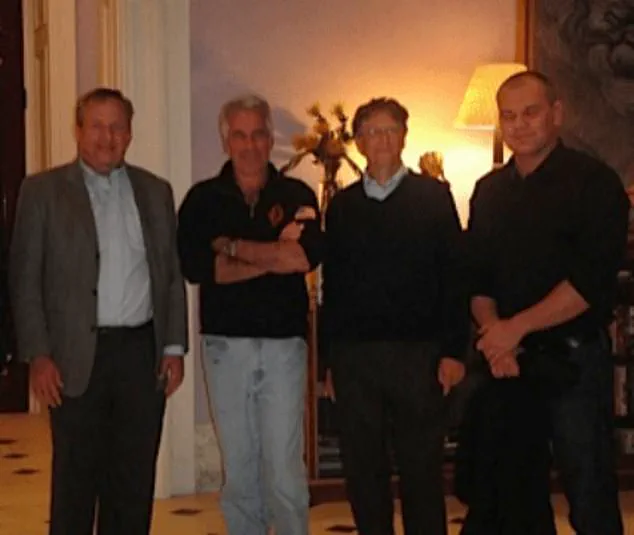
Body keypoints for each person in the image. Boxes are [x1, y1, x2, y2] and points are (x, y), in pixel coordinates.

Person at [9, 87, 188, 535]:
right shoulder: (42, 192)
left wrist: (173, 347)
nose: (107, 137)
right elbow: (25, 280)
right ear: (78, 130)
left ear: (129, 134)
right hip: (73, 357)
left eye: (117, 127)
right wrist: (38, 355)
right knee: (74, 482)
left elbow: (169, 275)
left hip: (140, 355)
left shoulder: (156, 192)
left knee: (133, 481)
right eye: (97, 126)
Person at [469, 70, 628, 535]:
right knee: (512, 496)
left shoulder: (594, 183)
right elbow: (476, 277)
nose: (518, 125)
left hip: (573, 361)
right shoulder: (488, 191)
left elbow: (589, 282)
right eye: (508, 116)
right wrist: (496, 338)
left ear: (556, 114)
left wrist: (513, 329)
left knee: (588, 491)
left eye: (530, 113)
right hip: (508, 365)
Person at [177, 94, 323, 535]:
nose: (249, 145)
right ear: (226, 141)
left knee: (284, 467)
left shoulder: (297, 194)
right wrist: (275, 252)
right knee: (239, 467)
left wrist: (233, 247)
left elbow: (303, 259)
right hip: (225, 346)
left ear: (270, 138)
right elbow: (199, 269)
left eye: (258, 134)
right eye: (239, 135)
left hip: (285, 346)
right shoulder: (202, 200)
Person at [321, 97, 467, 535]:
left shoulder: (433, 197)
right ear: (359, 142)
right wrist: (330, 361)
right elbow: (334, 287)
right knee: (363, 469)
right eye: (372, 131)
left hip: (418, 354)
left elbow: (454, 277)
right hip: (356, 358)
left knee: (421, 467)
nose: (382, 139)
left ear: (404, 137)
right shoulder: (342, 206)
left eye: (390, 130)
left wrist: (454, 351)